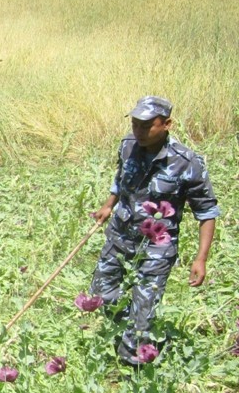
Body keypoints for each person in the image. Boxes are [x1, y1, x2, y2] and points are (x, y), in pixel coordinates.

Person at [90, 96, 219, 365]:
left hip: (157, 247)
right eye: (135, 124)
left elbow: (206, 212)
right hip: (120, 235)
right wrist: (108, 205)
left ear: (167, 124)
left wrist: (201, 258)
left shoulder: (187, 162)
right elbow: (120, 179)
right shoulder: (128, 146)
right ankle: (134, 327)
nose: (139, 131)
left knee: (143, 310)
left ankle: (133, 367)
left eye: (147, 126)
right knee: (100, 293)